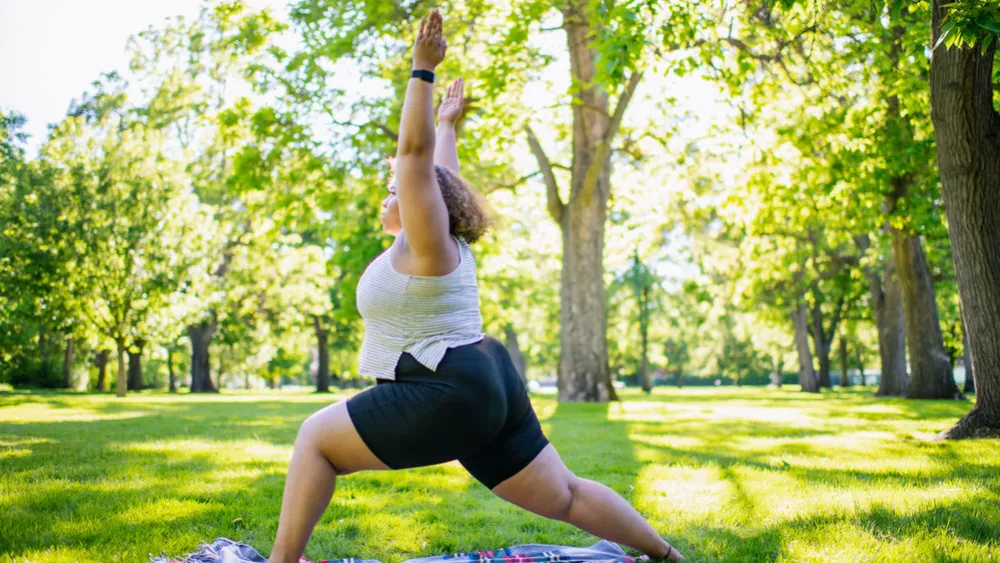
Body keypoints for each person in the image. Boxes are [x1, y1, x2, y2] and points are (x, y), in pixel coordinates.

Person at [267, 9, 684, 563]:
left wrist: (421, 72)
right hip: (489, 378)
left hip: (450, 387)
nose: (389, 196)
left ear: (420, 202)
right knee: (563, 494)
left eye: (394, 190)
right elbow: (438, 172)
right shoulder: (444, 242)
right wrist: (447, 126)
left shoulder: (427, 242)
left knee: (316, 439)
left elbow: (416, 164)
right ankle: (666, 556)